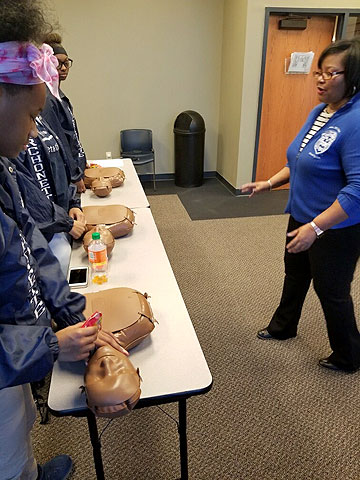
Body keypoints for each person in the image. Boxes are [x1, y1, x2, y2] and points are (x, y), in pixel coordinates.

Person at [0, 1, 127, 479]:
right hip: (13, 351)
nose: (36, 128)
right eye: (33, 114)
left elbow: (31, 246)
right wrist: (52, 348)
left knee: (21, 423)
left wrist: (75, 315)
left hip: (16, 350)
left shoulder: (1, 166)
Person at [242, 37, 360, 373]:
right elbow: (301, 158)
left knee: (332, 291)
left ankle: (349, 355)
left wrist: (316, 228)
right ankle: (283, 327)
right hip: (302, 216)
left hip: (336, 226)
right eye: (319, 73)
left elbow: (358, 190)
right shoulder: (321, 111)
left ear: (353, 76)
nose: (321, 79)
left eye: (331, 73)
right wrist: (269, 182)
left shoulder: (356, 122)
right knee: (295, 275)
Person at [41, 32, 87, 194]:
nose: (64, 68)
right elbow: (59, 140)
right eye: (58, 63)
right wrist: (75, 176)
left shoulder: (58, 95)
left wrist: (81, 163)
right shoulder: (47, 99)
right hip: (65, 176)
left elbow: (71, 135)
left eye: (66, 63)